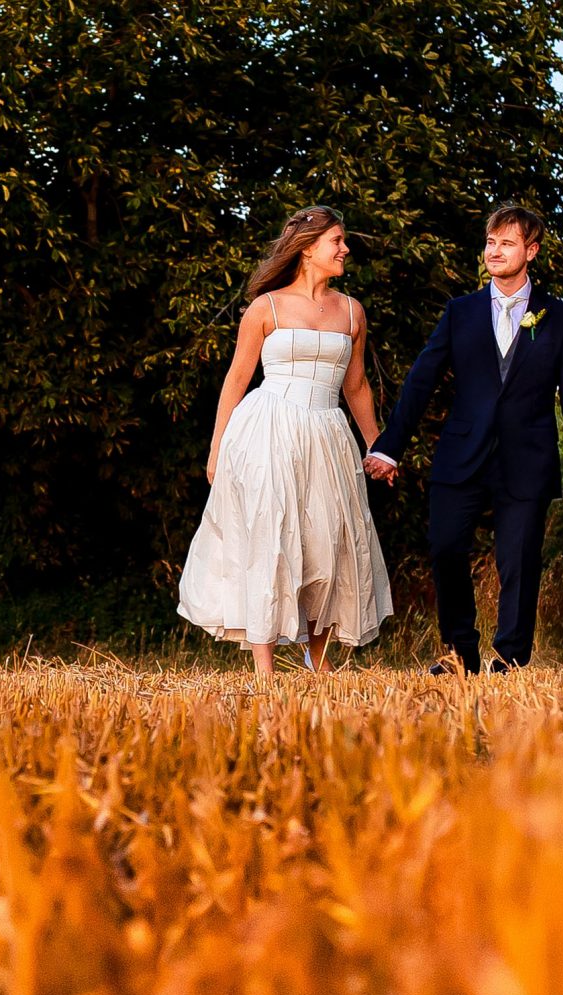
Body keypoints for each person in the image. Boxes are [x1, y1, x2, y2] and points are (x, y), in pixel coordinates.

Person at [365, 204, 563, 673]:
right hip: (462, 453)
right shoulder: (461, 312)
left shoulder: (559, 317)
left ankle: (510, 658)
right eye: (491, 242)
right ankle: (459, 653)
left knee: (520, 562)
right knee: (445, 548)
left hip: (527, 458)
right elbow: (421, 382)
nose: (495, 251)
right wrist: (389, 446)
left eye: (507, 243)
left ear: (531, 251)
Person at [177, 206, 395, 678]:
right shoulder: (266, 307)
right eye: (337, 241)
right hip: (269, 428)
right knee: (270, 536)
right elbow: (236, 379)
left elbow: (357, 386)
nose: (345, 249)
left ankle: (317, 656)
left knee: (327, 542)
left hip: (327, 433)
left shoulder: (352, 311)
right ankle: (264, 667)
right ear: (308, 248)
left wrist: (378, 445)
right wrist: (216, 447)